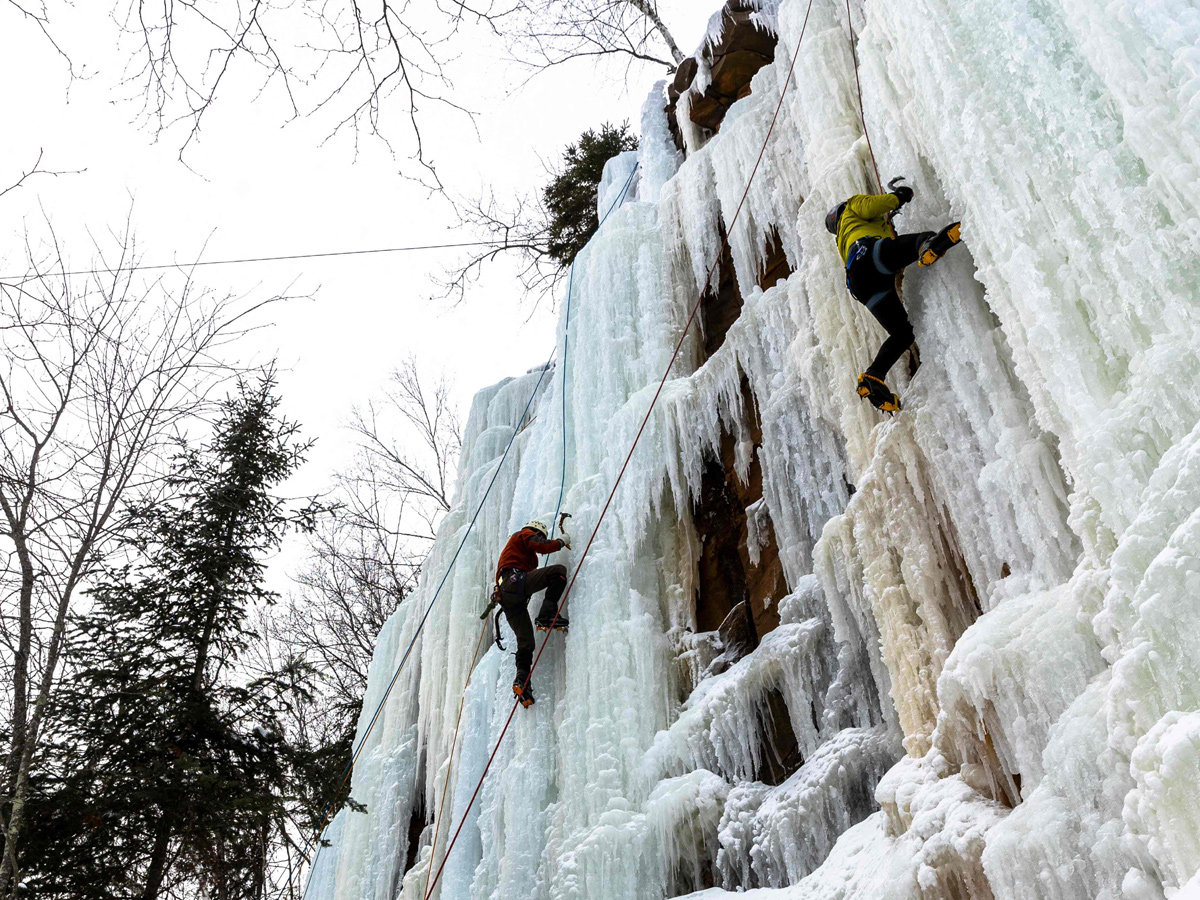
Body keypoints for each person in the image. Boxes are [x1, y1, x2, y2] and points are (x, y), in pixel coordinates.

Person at [826, 182, 961, 412]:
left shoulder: (842, 238)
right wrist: (900, 196)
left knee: (903, 333)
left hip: (860, 284)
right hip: (869, 256)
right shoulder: (852, 206)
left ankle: (874, 376)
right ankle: (928, 247)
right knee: (922, 240)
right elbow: (875, 206)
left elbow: (883, 233)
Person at [495, 519, 571, 708]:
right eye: (540, 536)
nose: (539, 539)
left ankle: (522, 682)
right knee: (559, 572)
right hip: (515, 582)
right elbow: (540, 545)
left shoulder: (522, 553)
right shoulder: (524, 534)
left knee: (526, 642)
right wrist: (561, 541)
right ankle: (547, 613)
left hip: (509, 597)